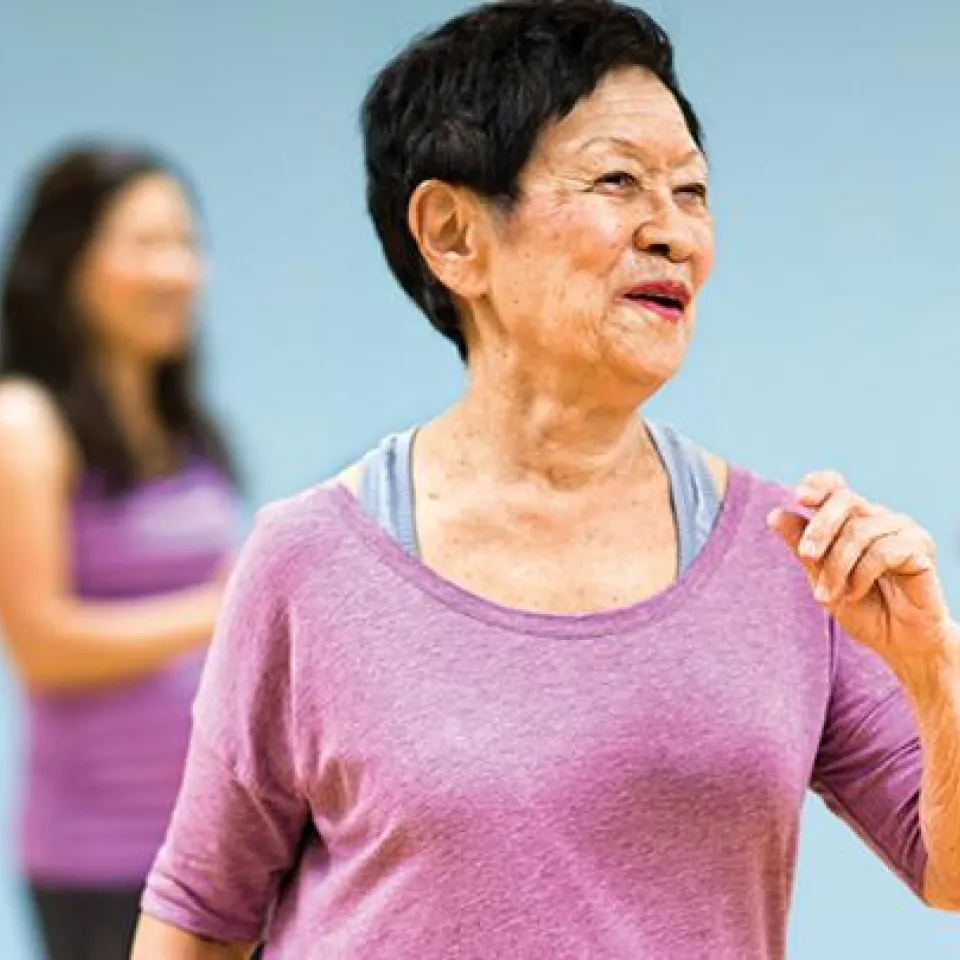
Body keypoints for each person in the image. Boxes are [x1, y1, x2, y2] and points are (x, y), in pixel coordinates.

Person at [132, 2, 960, 957]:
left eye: (691, 192)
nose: (675, 234)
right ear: (453, 235)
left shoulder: (794, 555)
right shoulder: (308, 559)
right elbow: (198, 917)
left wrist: (932, 669)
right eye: (618, 180)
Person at [0, 145, 240, 960]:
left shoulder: (186, 428)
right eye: (145, 243)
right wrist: (221, 609)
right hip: (100, 858)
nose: (176, 269)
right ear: (66, 263)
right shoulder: (25, 423)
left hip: (212, 842)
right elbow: (41, 644)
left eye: (185, 242)